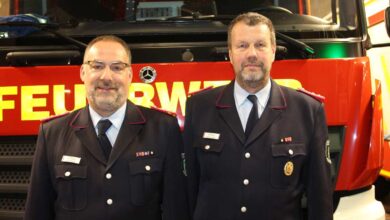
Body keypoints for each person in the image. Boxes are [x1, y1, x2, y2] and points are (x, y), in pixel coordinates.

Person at [183, 12, 333, 220]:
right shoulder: (199, 107)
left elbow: (320, 197)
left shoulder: (308, 110)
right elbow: (188, 189)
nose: (251, 54)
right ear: (230, 53)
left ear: (273, 51)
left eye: (260, 45)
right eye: (242, 46)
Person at [24, 35, 188, 220]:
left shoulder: (163, 128)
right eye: (97, 66)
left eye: (117, 67)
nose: (106, 77)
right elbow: (37, 211)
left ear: (130, 75)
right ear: (83, 73)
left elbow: (177, 209)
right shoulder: (52, 133)